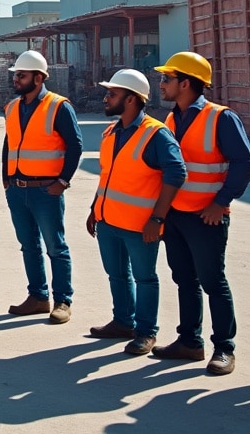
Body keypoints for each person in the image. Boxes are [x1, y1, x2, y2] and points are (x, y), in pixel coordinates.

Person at [151, 52, 250, 375]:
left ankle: (224, 348)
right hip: (177, 215)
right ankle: (190, 342)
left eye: (167, 79)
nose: (161, 84)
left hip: (205, 216)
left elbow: (245, 164)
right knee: (184, 279)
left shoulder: (220, 118)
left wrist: (220, 201)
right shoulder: (171, 119)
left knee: (213, 281)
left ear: (185, 83)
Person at [85, 68, 186, 356]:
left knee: (144, 278)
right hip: (109, 219)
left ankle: (145, 332)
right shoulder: (111, 132)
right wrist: (95, 208)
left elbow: (176, 173)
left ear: (131, 100)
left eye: (112, 94)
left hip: (140, 225)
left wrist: (157, 218)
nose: (106, 98)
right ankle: (122, 322)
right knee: (116, 275)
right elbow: (107, 175)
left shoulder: (156, 134)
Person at [2, 50, 83, 325]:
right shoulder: (12, 107)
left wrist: (63, 181)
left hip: (46, 190)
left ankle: (62, 300)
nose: (17, 79)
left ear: (38, 78)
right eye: (16, 75)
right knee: (28, 246)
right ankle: (37, 296)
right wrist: (6, 178)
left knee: (55, 247)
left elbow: (75, 145)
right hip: (17, 187)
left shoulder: (59, 106)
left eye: (22, 75)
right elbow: (9, 142)